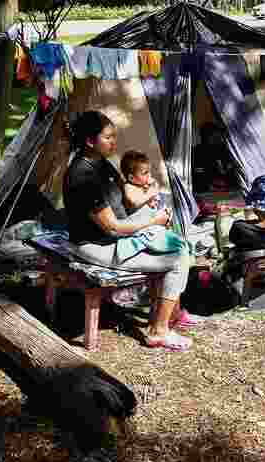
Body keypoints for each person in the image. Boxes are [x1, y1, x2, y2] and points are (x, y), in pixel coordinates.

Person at [63, 110, 201, 352]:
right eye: (108, 137)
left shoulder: (102, 164)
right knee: (179, 259)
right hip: (95, 246)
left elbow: (125, 202)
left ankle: (173, 312)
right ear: (89, 141)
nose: (114, 142)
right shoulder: (82, 176)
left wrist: (151, 207)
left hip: (114, 236)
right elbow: (112, 226)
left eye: (114, 136)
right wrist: (152, 222)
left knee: (176, 239)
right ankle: (158, 332)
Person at [192, 122, 237, 192]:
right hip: (206, 191)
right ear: (205, 137)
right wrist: (209, 187)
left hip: (228, 190)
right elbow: (197, 177)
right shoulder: (197, 153)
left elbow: (232, 172)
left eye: (219, 136)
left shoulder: (226, 151)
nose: (218, 139)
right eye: (213, 136)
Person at [120, 150, 164, 216]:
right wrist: (150, 193)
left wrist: (154, 186)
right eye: (145, 173)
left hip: (151, 215)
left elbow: (155, 192)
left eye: (149, 171)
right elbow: (135, 202)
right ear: (131, 178)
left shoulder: (144, 185)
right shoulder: (129, 187)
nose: (149, 175)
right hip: (138, 219)